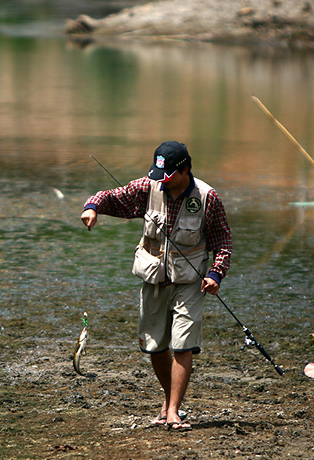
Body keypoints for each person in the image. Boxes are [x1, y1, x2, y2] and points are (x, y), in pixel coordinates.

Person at [81, 141, 232, 432]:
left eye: (168, 176)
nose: (160, 181)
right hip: (153, 278)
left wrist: (216, 274)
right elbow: (111, 196)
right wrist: (93, 208)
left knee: (182, 345)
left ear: (185, 170)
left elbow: (223, 242)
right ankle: (167, 401)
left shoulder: (207, 197)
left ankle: (174, 411)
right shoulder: (147, 186)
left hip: (190, 282)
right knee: (155, 345)